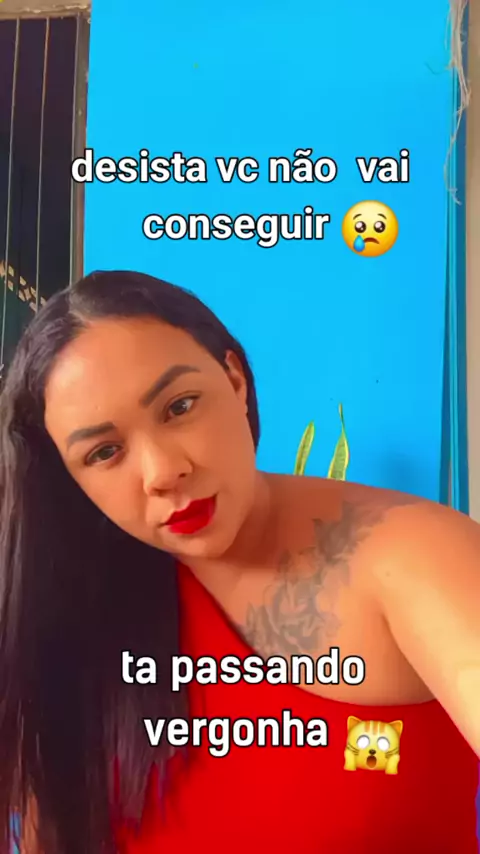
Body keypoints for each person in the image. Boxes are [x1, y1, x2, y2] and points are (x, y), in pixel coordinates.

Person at [0, 270, 478, 854]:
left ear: (234, 381)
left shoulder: (412, 555)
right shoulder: (67, 620)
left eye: (179, 406)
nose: (163, 471)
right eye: (104, 452)